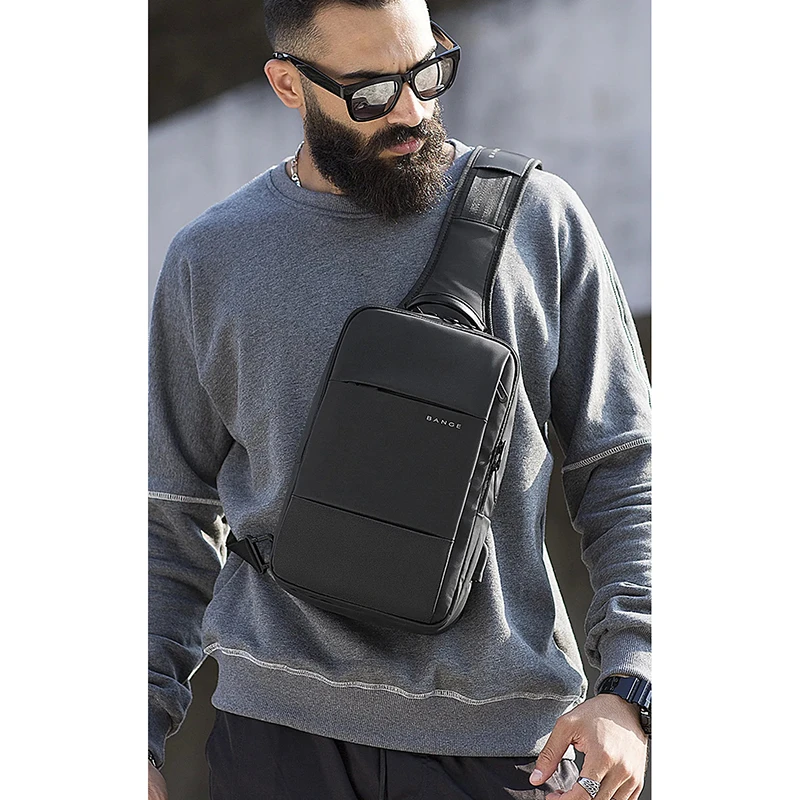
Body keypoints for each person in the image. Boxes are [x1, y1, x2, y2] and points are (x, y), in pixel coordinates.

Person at [148, 1, 652, 798]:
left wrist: (632, 685)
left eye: (427, 71)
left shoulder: (538, 222)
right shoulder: (210, 260)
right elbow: (169, 519)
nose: (413, 110)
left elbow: (625, 468)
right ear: (288, 85)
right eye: (372, 91)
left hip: (507, 746)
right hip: (275, 743)